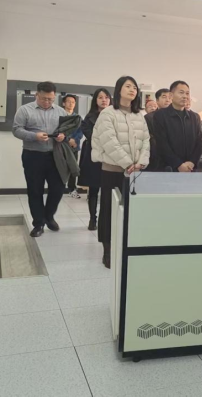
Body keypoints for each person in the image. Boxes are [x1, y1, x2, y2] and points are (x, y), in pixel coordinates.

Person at [92, 76, 150, 268]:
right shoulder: (108, 113)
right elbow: (109, 142)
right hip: (112, 170)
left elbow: (146, 141)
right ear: (118, 90)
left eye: (135, 87)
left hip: (134, 173)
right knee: (109, 211)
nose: (132, 90)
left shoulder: (139, 115)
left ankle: (126, 247)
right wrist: (127, 163)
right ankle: (107, 250)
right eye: (128, 86)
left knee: (131, 212)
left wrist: (141, 162)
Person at [13, 82, 68, 237]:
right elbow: (16, 130)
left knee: (58, 188)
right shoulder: (25, 110)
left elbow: (67, 130)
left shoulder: (61, 111)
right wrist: (34, 136)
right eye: (44, 98)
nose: (47, 102)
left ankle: (49, 216)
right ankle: (38, 223)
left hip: (55, 156)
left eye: (50, 99)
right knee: (35, 190)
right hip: (33, 155)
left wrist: (63, 136)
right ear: (37, 95)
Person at [78, 88, 111, 230]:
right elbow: (92, 136)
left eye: (106, 97)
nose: (104, 100)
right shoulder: (89, 117)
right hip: (94, 156)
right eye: (100, 97)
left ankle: (107, 219)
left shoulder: (116, 115)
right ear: (95, 100)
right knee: (93, 189)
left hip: (111, 156)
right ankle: (93, 219)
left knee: (109, 190)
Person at [153, 81, 202, 172]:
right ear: (171, 95)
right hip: (169, 168)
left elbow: (199, 142)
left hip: (190, 168)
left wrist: (192, 162)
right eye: (181, 92)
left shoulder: (194, 117)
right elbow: (162, 143)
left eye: (187, 93)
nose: (185, 96)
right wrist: (178, 164)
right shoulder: (160, 115)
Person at [144, 88, 172, 172]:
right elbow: (149, 139)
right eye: (164, 97)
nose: (167, 100)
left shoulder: (177, 117)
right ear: (157, 100)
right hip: (156, 159)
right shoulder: (149, 117)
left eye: (170, 97)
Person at [62, 94, 84, 199]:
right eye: (68, 101)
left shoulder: (78, 118)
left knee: (73, 168)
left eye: (73, 102)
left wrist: (75, 140)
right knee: (59, 168)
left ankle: (72, 189)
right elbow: (58, 130)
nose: (71, 104)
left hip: (74, 147)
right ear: (63, 103)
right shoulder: (60, 116)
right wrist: (68, 139)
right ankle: (58, 189)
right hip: (61, 146)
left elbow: (81, 131)